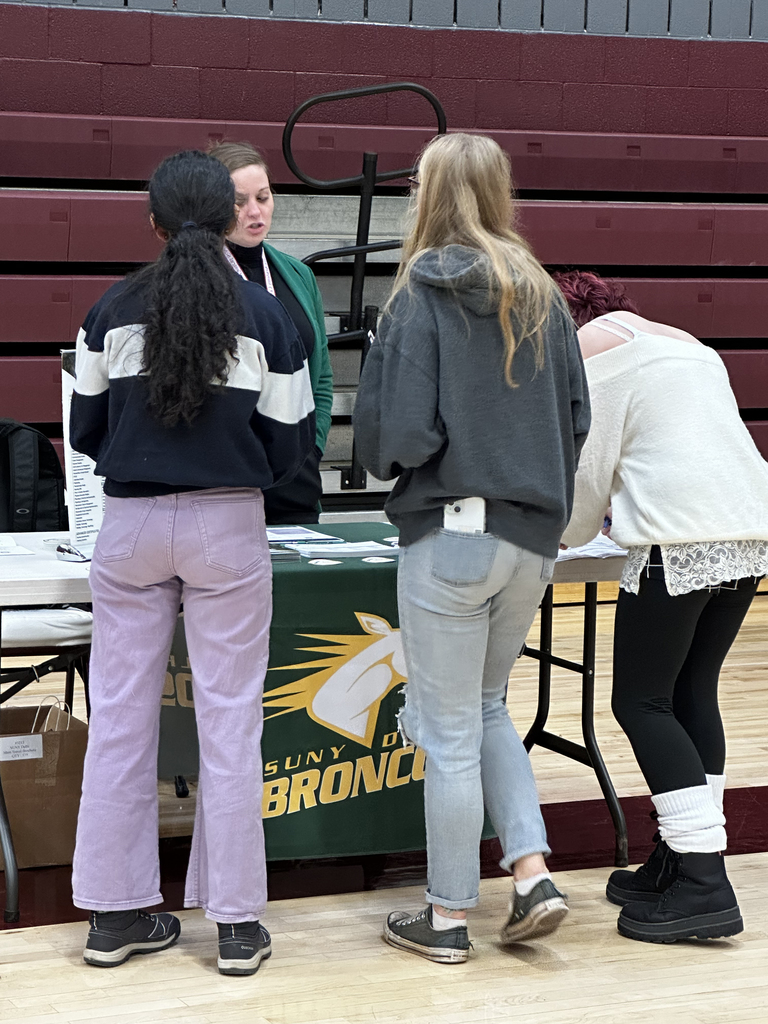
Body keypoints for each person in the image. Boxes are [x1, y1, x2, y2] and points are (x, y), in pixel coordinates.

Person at [69, 151, 314, 974]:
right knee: (231, 722)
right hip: (228, 526)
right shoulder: (270, 320)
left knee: (121, 722)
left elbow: (85, 434)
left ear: (154, 222)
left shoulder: (109, 310)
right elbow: (289, 445)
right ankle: (238, 927)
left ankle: (114, 915)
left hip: (131, 525)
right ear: (223, 223)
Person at [353, 133, 591, 963]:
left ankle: (448, 919)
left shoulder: (419, 296)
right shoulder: (543, 294)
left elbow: (400, 438)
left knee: (449, 734)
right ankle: (531, 874)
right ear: (499, 191)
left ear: (426, 195)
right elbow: (576, 421)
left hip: (451, 538)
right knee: (487, 711)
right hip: (532, 541)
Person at [556, 270, 768, 944]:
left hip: (679, 533)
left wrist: (563, 531)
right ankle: (681, 857)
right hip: (750, 523)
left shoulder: (590, 347)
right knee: (689, 690)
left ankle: (704, 880)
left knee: (639, 701)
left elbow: (587, 469)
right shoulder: (682, 342)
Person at [209, 141, 333, 524]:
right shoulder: (196, 279)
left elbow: (321, 377)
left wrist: (309, 448)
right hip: (222, 482)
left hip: (294, 481)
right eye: (238, 201)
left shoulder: (298, 275)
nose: (254, 211)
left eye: (263, 197)